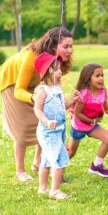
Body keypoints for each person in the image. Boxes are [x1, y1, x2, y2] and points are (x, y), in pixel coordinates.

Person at [0, 27, 73, 181]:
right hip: (13, 82)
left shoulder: (58, 61)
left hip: (36, 84)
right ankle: (20, 170)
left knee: (45, 120)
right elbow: (19, 91)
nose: (70, 50)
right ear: (53, 46)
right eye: (65, 46)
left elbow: (54, 84)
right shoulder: (32, 55)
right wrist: (37, 99)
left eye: (71, 46)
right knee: (24, 126)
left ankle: (37, 162)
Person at [33, 52, 77, 200]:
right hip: (48, 132)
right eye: (57, 69)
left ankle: (43, 188)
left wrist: (72, 100)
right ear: (49, 71)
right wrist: (46, 121)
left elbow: (61, 106)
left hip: (59, 130)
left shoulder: (58, 88)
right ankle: (55, 190)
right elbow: (37, 109)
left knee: (46, 159)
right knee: (60, 159)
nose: (60, 72)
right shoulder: (43, 91)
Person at [68, 63, 108, 178]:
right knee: (71, 152)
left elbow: (106, 108)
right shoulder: (85, 93)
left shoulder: (103, 91)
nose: (101, 78)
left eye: (102, 75)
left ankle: (96, 166)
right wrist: (93, 121)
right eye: (97, 76)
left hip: (92, 124)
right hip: (79, 126)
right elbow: (77, 114)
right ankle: (56, 169)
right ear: (88, 78)